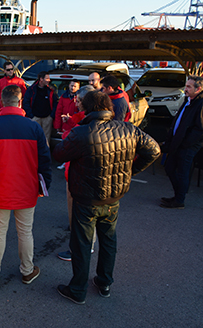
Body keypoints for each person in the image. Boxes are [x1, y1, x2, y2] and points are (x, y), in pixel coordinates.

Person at [53, 90, 160, 305]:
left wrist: (130, 171)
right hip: (113, 197)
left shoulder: (82, 132)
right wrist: (130, 171)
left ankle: (78, 289)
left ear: (87, 108)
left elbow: (59, 154)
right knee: (108, 240)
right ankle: (104, 282)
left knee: (82, 244)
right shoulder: (128, 129)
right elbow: (154, 150)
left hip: (86, 198)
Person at [0, 85, 52, 285]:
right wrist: (43, 186)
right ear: (20, 101)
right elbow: (44, 160)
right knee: (25, 231)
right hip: (27, 189)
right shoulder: (33, 127)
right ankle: (27, 270)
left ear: (1, 102)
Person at [55, 85, 96, 262]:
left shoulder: (85, 126)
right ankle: (88, 244)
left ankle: (80, 250)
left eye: (78, 101)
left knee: (80, 216)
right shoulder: (92, 121)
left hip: (77, 175)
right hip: (87, 175)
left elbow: (66, 149)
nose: (75, 103)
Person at [161, 75, 203, 209]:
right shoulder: (188, 100)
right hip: (177, 143)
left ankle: (179, 200)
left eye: (189, 87)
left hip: (187, 146)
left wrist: (185, 143)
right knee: (169, 168)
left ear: (199, 89)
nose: (186, 89)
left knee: (182, 172)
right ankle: (178, 195)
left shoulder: (200, 104)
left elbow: (199, 129)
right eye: (186, 86)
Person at [23, 71, 58, 146]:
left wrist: (51, 116)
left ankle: (45, 155)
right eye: (47, 78)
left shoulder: (51, 89)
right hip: (35, 117)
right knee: (34, 138)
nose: (49, 80)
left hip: (47, 118)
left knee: (46, 140)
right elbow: (26, 102)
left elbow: (56, 102)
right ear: (41, 79)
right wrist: (31, 115)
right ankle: (34, 154)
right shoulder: (31, 89)